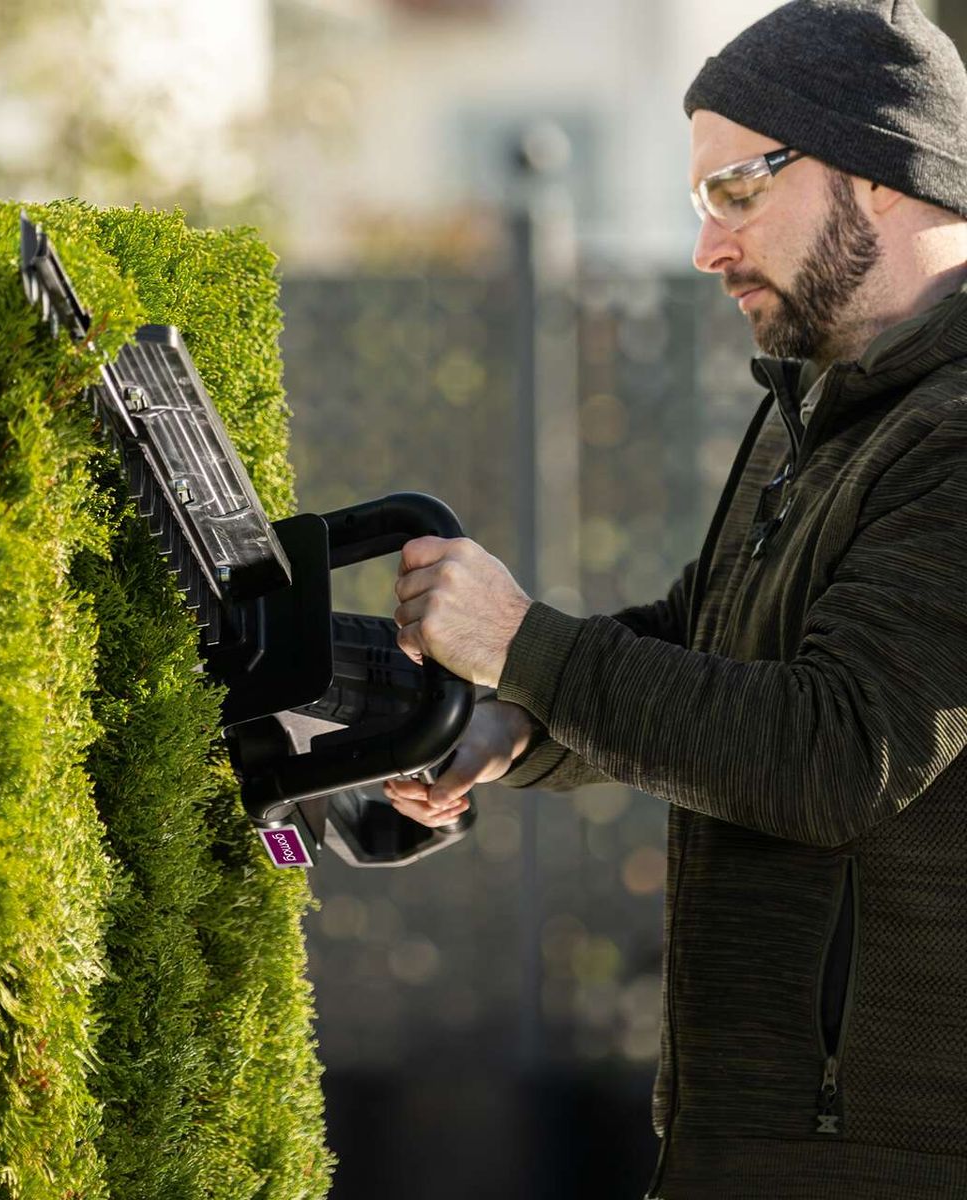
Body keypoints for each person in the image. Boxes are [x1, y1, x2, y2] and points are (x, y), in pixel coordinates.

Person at [383, 1, 967, 1196]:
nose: (708, 248)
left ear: (888, 175)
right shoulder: (818, 411)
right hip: (745, 1134)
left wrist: (523, 643)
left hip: (889, 1154)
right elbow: (703, 654)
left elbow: (834, 752)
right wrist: (513, 722)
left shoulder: (956, 442)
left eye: (739, 191)